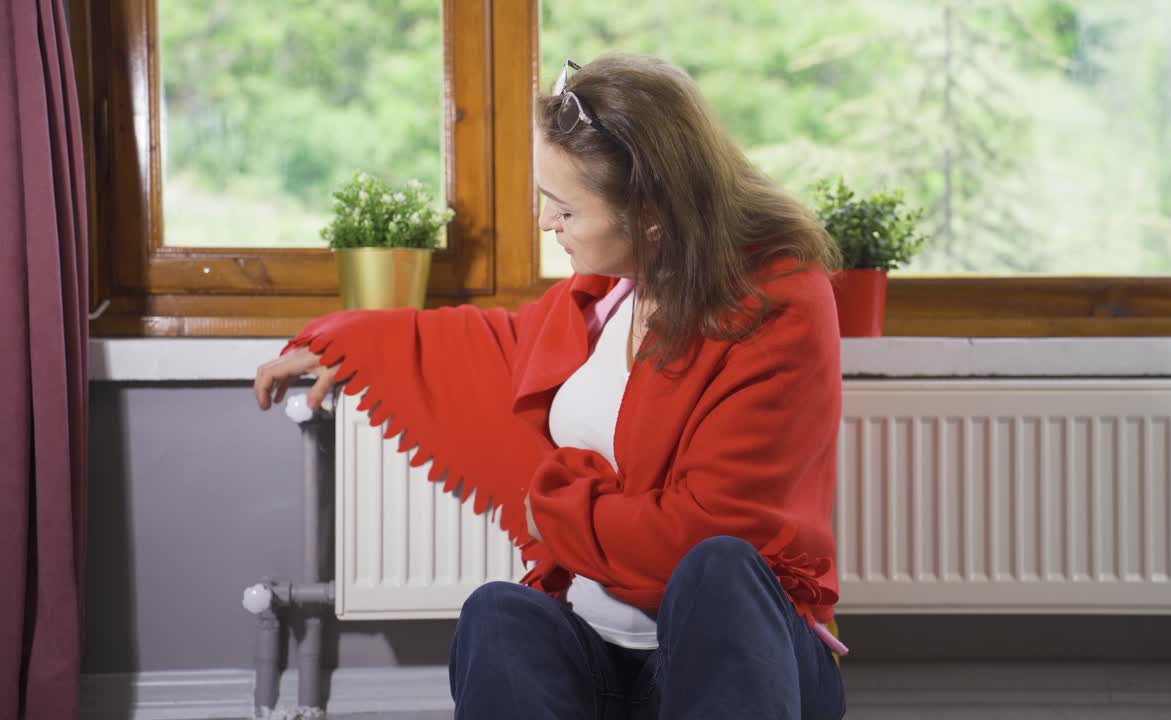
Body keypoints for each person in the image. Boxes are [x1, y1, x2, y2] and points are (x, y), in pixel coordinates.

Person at [253, 53, 846, 720]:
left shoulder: (781, 303)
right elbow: (499, 346)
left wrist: (556, 513)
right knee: (498, 615)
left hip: (742, 655)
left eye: (565, 211)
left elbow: (707, 526)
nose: (544, 225)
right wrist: (345, 340)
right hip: (606, 656)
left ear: (651, 215)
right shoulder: (608, 292)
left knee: (719, 569)